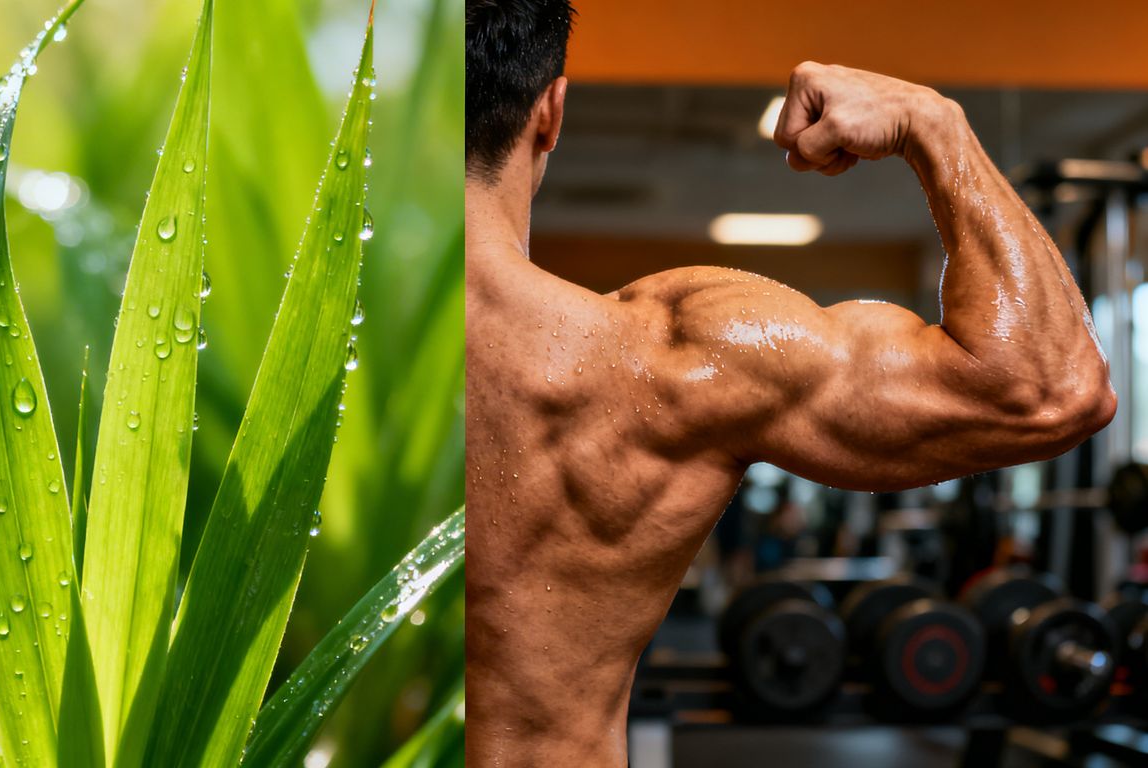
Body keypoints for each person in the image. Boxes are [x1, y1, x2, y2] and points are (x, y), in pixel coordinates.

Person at [464, 0, 1118, 764]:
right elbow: (1051, 387)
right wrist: (933, 124)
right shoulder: (672, 354)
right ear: (551, 111)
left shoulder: (295, 342)